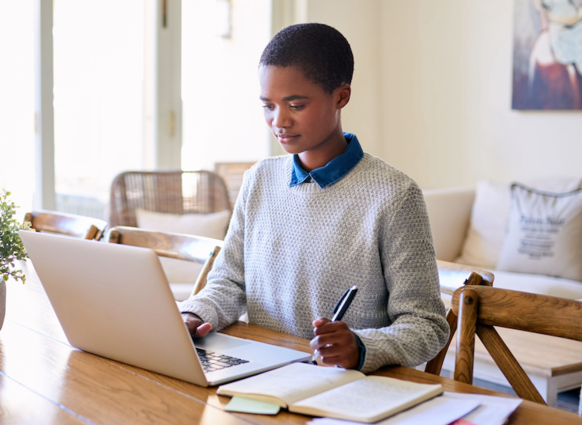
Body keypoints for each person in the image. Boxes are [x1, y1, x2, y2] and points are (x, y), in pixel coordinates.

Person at [179, 23, 449, 373]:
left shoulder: (395, 196)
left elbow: (427, 326)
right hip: (255, 374)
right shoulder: (258, 179)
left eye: (295, 104)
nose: (279, 121)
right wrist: (194, 313)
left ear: (341, 97)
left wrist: (361, 347)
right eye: (268, 106)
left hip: (341, 386)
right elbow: (228, 282)